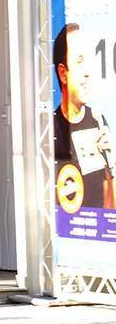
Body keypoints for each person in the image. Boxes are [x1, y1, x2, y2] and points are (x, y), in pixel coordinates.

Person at [53, 23, 115, 210]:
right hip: (65, 235)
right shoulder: (50, 130)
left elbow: (111, 208)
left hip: (95, 235)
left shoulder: (98, 123)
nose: (88, 72)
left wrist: (111, 166)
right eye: (80, 61)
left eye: (89, 60)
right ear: (63, 74)